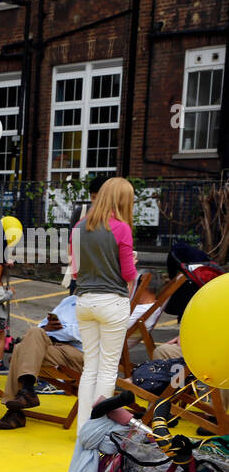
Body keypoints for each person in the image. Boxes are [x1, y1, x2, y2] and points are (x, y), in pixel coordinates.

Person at [70, 177, 138, 435]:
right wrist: (131, 260)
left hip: (85, 301)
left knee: (90, 367)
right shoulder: (121, 228)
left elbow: (75, 272)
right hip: (112, 302)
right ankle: (98, 430)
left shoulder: (79, 227)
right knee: (108, 369)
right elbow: (129, 274)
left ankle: (82, 429)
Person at [0, 297, 84, 430]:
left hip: (79, 354)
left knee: (20, 350)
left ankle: (15, 412)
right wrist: (47, 327)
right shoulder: (70, 300)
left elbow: (84, 334)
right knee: (34, 333)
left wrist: (59, 330)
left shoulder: (108, 304)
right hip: (55, 347)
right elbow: (41, 327)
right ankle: (27, 391)